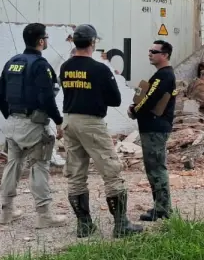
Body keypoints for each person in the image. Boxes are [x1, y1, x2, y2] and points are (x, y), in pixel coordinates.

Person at [60, 24, 142, 238]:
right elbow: (114, 99)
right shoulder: (100, 69)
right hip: (91, 123)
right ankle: (121, 225)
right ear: (93, 42)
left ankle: (84, 226)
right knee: (111, 171)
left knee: (76, 175)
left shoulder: (66, 67)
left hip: (69, 121)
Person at [0, 23, 67, 229]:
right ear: (41, 41)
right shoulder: (40, 65)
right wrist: (59, 120)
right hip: (34, 125)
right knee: (39, 167)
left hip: (12, 124)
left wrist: (11, 118)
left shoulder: (12, 63)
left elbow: (0, 98)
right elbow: (47, 98)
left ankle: (6, 212)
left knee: (12, 165)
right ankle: (44, 215)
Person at [129, 40, 178, 222]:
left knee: (156, 168)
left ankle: (163, 209)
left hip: (155, 127)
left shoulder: (163, 76)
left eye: (154, 51)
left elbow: (149, 98)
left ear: (164, 55)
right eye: (150, 50)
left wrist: (134, 110)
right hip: (153, 127)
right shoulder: (161, 75)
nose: (150, 54)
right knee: (154, 168)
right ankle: (161, 206)